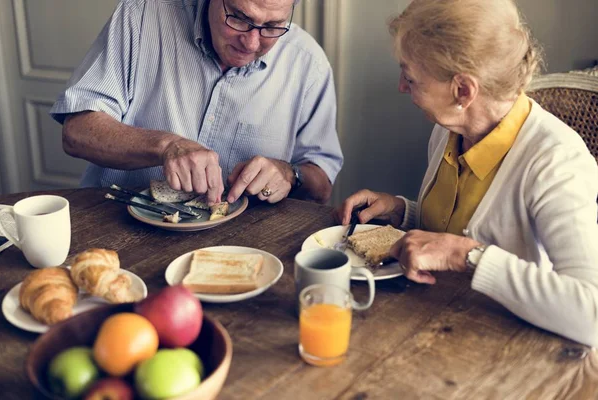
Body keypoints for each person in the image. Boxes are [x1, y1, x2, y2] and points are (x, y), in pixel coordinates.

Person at [336, 0, 598, 347]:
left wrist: (467, 255)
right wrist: (402, 210)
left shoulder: (556, 161)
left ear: (463, 90)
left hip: (510, 355)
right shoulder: (450, 127)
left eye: (411, 76)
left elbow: (589, 313)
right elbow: (459, 228)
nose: (401, 86)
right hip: (429, 328)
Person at [50, 0, 343, 205]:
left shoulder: (308, 63)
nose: (252, 44)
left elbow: (321, 185)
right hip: (118, 223)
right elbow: (77, 133)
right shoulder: (141, 15)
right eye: (239, 17)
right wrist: (165, 146)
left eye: (273, 26)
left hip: (239, 246)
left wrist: (289, 174)